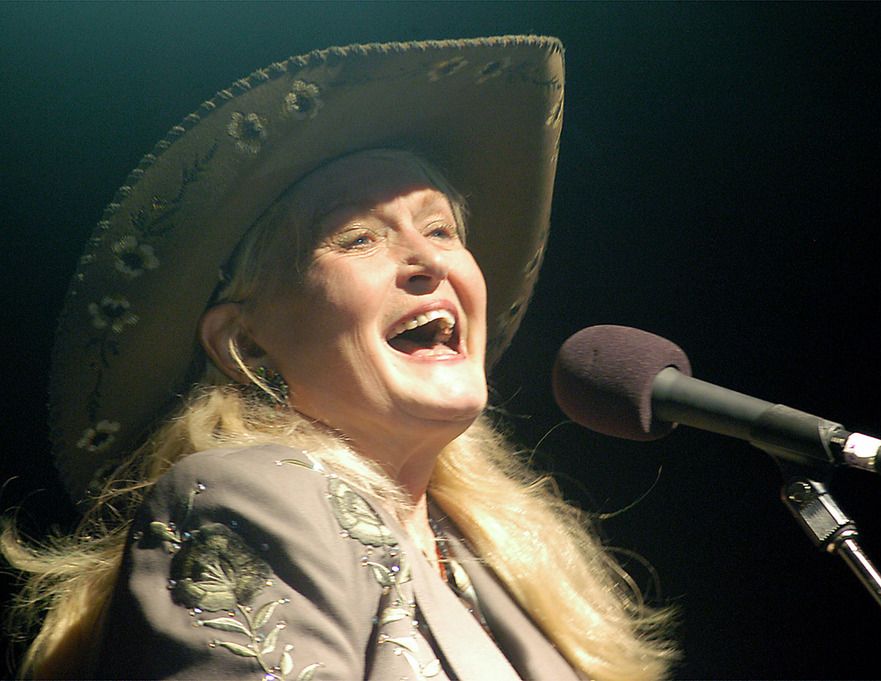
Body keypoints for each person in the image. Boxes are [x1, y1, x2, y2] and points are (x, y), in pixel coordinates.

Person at [2, 36, 677, 680]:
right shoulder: (244, 498)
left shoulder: (497, 566)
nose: (428, 260)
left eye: (442, 228)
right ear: (245, 342)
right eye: (358, 238)